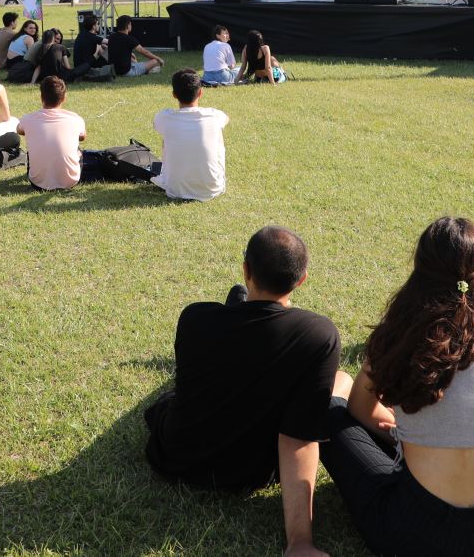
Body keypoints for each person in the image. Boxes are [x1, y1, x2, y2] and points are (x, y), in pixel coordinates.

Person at [322, 217, 474, 557]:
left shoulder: (395, 335)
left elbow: (359, 409)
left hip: (410, 536)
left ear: (419, 271)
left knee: (331, 414)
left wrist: (401, 435)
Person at [144, 226, 339, 556]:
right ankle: (245, 303)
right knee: (339, 380)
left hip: (176, 457)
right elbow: (300, 436)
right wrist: (300, 542)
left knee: (166, 401)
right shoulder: (318, 335)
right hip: (253, 471)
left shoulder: (194, 317)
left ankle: (242, 303)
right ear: (302, 280)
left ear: (246, 268)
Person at [151, 69, 229, 201]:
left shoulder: (164, 117)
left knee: (167, 137)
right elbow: (226, 119)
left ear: (174, 95)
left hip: (175, 189)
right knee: (217, 134)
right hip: (212, 188)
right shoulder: (214, 115)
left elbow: (156, 125)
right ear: (200, 92)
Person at [17, 77, 98, 190]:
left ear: (41, 97)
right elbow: (82, 136)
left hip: (37, 183)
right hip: (70, 181)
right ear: (64, 98)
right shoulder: (75, 119)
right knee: (77, 150)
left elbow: (19, 130)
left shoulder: (28, 119)